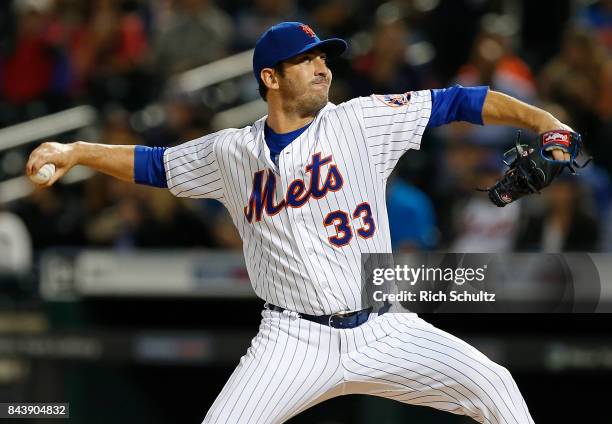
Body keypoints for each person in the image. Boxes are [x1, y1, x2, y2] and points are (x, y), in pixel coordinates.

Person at [27, 22, 576, 424]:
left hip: (383, 326)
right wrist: (77, 150)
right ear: (270, 77)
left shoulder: (359, 121)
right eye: (307, 60)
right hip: (292, 340)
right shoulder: (232, 153)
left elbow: (458, 102)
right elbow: (154, 164)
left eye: (324, 57)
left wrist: (544, 121)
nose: (323, 67)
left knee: (496, 387)